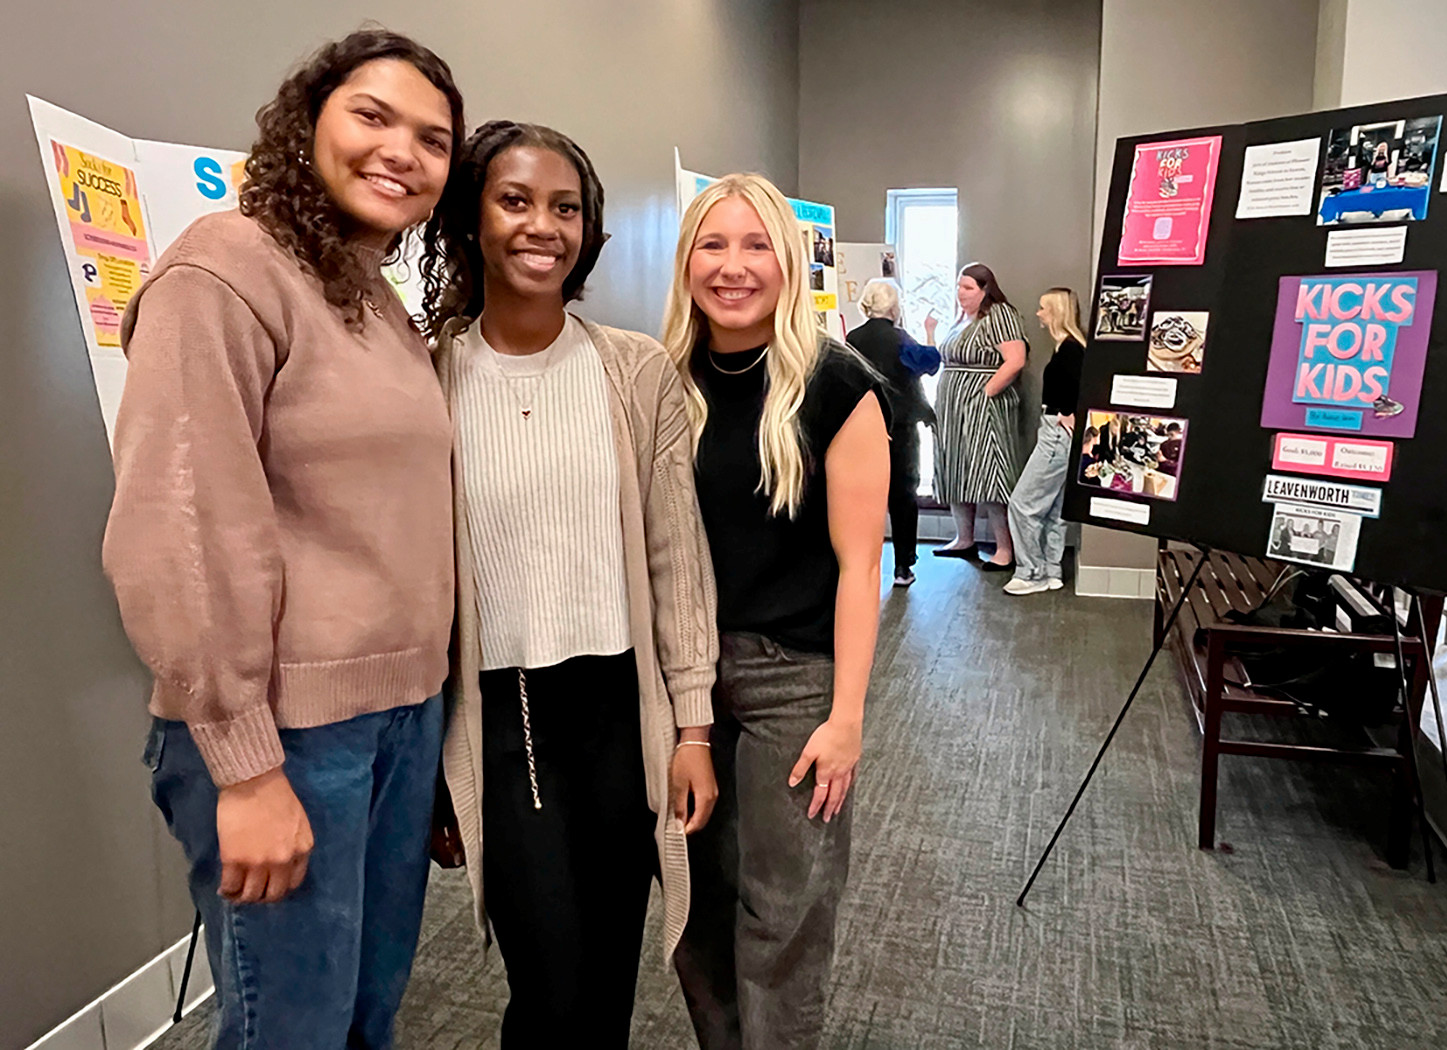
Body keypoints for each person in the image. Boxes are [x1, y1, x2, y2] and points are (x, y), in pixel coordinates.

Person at [103, 31, 464, 1049]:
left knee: (362, 1021)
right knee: (290, 1030)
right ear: (306, 123)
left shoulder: (373, 301)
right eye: (373, 116)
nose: (404, 151)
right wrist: (246, 769)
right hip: (287, 735)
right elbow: (185, 529)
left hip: (396, 719)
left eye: (434, 140)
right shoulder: (224, 271)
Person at [420, 121, 720, 1047]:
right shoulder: (424, 373)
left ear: (589, 230)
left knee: (607, 980)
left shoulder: (636, 372)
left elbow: (677, 558)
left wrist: (694, 725)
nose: (542, 225)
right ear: (472, 217)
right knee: (549, 982)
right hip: (504, 711)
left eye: (565, 207)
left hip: (621, 707)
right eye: (515, 201)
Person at [661, 173, 890, 1050]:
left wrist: (848, 718)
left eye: (756, 245)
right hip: (680, 678)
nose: (734, 266)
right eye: (713, 245)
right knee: (696, 909)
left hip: (794, 682)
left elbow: (860, 565)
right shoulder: (662, 380)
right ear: (687, 263)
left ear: (789, 263)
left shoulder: (836, 385)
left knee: (783, 918)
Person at [927, 263, 1028, 570]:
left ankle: (1004, 549)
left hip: (983, 407)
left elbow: (1016, 360)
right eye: (959, 286)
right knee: (957, 468)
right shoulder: (961, 320)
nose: (961, 293)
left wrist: (985, 393)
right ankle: (964, 538)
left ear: (986, 290)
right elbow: (940, 359)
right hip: (954, 408)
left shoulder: (1000, 315)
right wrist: (930, 331)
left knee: (991, 472)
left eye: (968, 288)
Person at [847, 278, 936, 587]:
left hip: (864, 426)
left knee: (863, 496)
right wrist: (929, 333)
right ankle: (903, 567)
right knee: (903, 496)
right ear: (894, 307)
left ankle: (863, 565)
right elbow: (930, 364)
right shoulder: (900, 339)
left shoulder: (852, 338)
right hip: (901, 426)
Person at [1004, 287, 1085, 595]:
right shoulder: (1070, 346)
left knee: (1022, 504)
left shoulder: (1070, 350)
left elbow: (1077, 389)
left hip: (1055, 433)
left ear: (1055, 312)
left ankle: (1031, 572)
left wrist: (1066, 412)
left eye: (1042, 308)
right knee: (1054, 507)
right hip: (1057, 432)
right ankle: (1051, 570)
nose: (1037, 313)